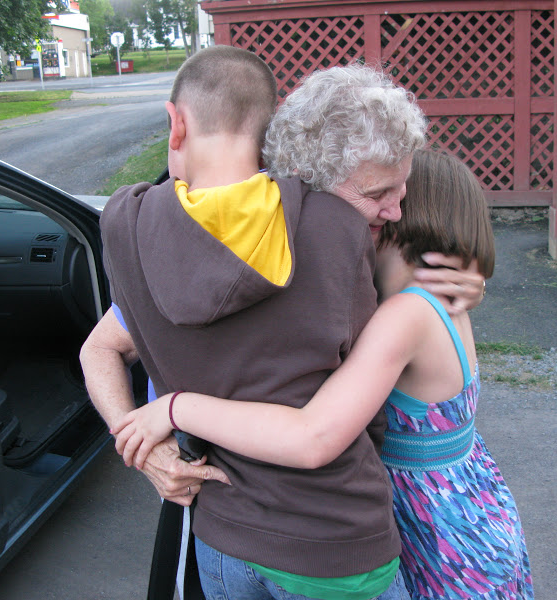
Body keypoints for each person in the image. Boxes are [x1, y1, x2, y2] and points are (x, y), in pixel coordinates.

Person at [81, 57, 485, 600]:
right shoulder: (290, 238)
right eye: (375, 196)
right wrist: (141, 445)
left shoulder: (361, 238)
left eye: (402, 191)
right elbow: (101, 348)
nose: (395, 211)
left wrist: (455, 292)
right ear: (306, 184)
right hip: (327, 539)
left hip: (230, 532)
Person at [113, 149, 534, 600]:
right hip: (471, 513)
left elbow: (312, 434)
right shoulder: (441, 302)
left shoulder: (405, 315)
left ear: (402, 216)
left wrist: (176, 408)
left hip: (441, 534)